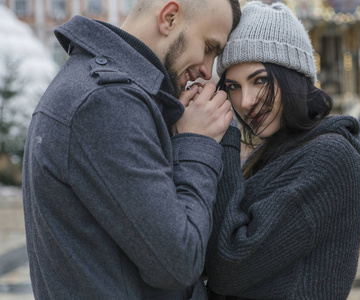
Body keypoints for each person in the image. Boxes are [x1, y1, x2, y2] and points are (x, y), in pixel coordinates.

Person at [21, 0, 241, 299]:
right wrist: (196, 142)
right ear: (169, 17)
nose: (206, 68)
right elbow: (178, 262)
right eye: (208, 47)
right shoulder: (106, 103)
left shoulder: (105, 90)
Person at [204, 2, 360, 299]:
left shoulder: (329, 157)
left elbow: (229, 265)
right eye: (233, 87)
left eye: (260, 80)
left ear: (293, 76)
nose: (245, 101)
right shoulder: (281, 151)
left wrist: (224, 134)